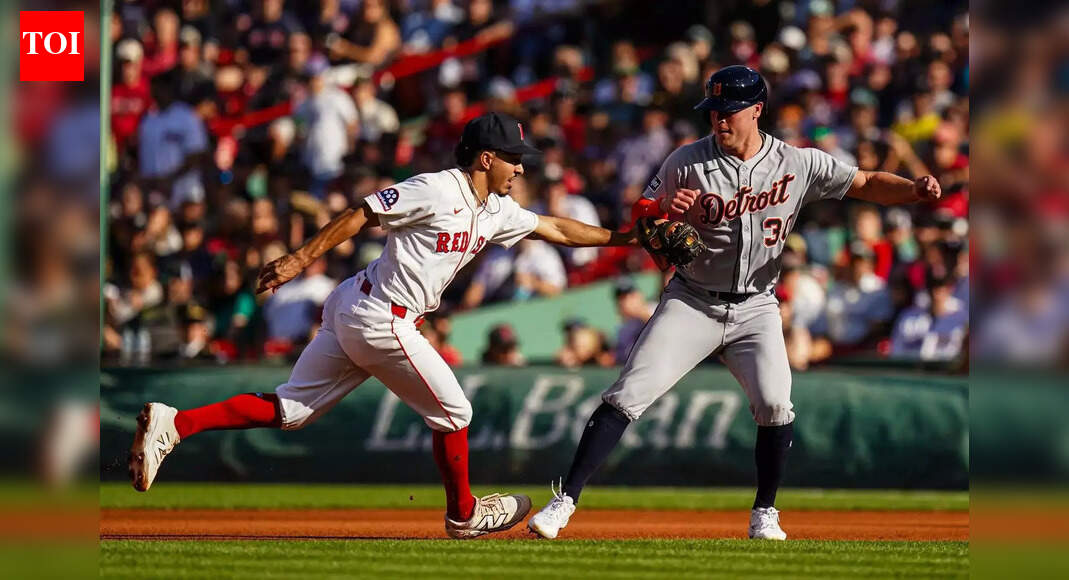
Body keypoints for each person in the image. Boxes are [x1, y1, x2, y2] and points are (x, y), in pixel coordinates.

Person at [128, 112, 637, 539]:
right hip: (380, 316)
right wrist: (299, 258)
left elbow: (556, 228)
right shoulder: (437, 189)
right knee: (456, 412)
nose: (520, 168)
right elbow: (362, 212)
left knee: (291, 410)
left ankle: (177, 423)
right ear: (486, 158)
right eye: (514, 158)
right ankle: (463, 515)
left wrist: (629, 239)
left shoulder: (496, 210)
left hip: (360, 306)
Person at [527, 65, 942, 541]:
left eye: (729, 111)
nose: (719, 120)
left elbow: (865, 182)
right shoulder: (686, 161)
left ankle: (765, 512)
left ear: (756, 111)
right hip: (693, 300)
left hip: (757, 306)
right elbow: (642, 220)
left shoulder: (796, 162)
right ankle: (564, 502)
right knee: (627, 395)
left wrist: (912, 191)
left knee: (775, 404)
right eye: (713, 111)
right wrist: (661, 218)